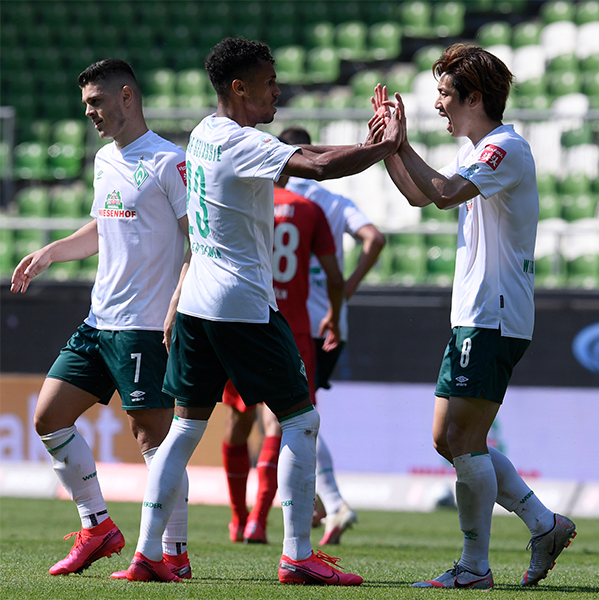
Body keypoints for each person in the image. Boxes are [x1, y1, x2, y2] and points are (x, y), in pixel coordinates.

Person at [124, 37, 401, 585]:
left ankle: (149, 553)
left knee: (183, 429)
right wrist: (386, 146)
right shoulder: (241, 143)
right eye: (270, 82)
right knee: (302, 419)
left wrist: (366, 144)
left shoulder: (205, 132)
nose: (278, 90)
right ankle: (298, 555)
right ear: (239, 87)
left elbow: (302, 157)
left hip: (199, 302)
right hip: (242, 303)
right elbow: (317, 167)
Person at [374, 44, 577, 590]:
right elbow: (421, 195)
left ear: (475, 97)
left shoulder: (504, 148)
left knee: (460, 438)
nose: (438, 104)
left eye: (444, 94)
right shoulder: (482, 150)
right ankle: (543, 524)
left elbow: (440, 193)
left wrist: (402, 144)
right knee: (451, 439)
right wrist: (389, 149)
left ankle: (474, 566)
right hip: (479, 315)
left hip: (495, 315)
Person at [10, 59, 192, 579]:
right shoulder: (104, 160)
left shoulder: (167, 161)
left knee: (154, 440)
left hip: (144, 324)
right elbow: (100, 228)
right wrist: (52, 251)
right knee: (48, 417)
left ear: (126, 97)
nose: (89, 111)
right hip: (98, 320)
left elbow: (196, 237)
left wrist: (178, 299)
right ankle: (98, 528)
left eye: (96, 101)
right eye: (86, 103)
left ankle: (173, 551)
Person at [222, 130, 344, 546]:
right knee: (282, 424)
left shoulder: (242, 203)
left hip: (241, 323)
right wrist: (334, 314)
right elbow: (334, 276)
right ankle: (259, 518)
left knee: (237, 422)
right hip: (290, 330)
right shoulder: (309, 210)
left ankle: (238, 519)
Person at [282, 125, 387, 545]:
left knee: (293, 418)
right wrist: (342, 294)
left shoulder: (283, 200)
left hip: (293, 323)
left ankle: (331, 500)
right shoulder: (335, 200)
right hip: (330, 322)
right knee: (300, 416)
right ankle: (321, 502)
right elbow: (374, 239)